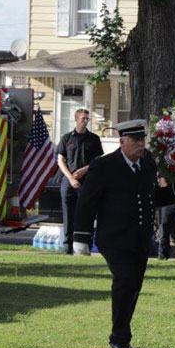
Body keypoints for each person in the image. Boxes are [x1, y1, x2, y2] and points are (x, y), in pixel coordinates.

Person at [72, 119, 173, 348]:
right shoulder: (105, 165)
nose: (140, 144)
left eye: (142, 140)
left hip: (140, 238)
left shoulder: (146, 163)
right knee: (125, 282)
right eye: (135, 140)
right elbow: (87, 203)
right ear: (122, 142)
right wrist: (81, 237)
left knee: (134, 286)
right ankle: (119, 338)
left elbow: (151, 197)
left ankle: (122, 338)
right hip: (115, 238)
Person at [56, 108, 104, 254]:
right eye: (83, 118)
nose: (85, 121)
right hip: (69, 180)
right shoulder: (67, 138)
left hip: (87, 180)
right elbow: (60, 160)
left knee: (87, 213)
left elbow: (98, 160)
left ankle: (85, 245)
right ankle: (68, 246)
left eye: (87, 119)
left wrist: (85, 169)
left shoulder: (94, 139)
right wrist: (70, 178)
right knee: (68, 214)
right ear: (76, 119)